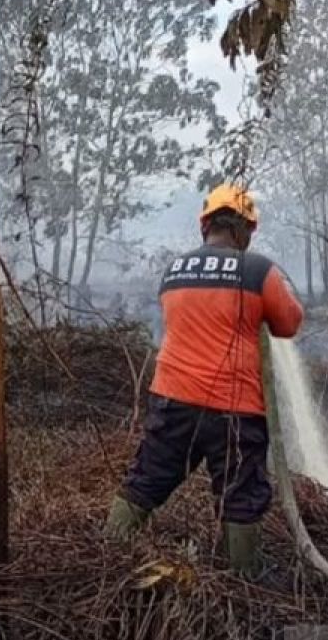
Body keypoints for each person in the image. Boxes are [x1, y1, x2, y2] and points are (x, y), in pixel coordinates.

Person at [103, 183, 304, 580]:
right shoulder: (258, 270)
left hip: (172, 397)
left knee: (148, 477)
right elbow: (289, 323)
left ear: (205, 225)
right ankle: (243, 580)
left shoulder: (174, 271)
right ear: (245, 229)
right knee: (241, 493)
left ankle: (105, 554)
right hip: (236, 407)